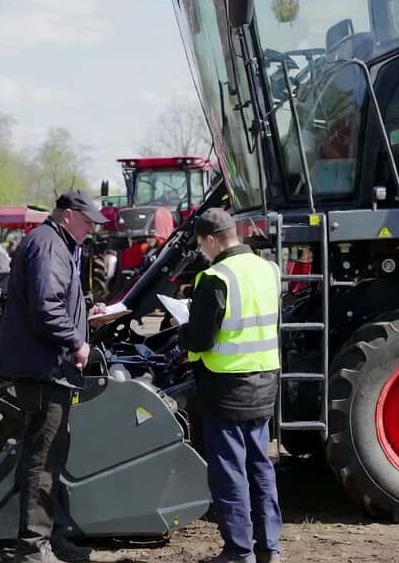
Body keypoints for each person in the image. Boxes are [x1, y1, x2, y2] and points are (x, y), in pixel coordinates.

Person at [0, 190, 108, 563]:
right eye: (89, 221)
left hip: (46, 368)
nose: (92, 229)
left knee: (50, 456)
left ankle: (54, 538)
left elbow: (52, 300)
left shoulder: (52, 243)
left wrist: (87, 312)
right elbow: (46, 306)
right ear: (69, 215)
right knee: (42, 460)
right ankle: (33, 547)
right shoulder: (48, 246)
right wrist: (77, 341)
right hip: (43, 370)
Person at [178, 208, 282, 563]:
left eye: (201, 245)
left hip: (225, 389)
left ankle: (239, 551)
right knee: (261, 467)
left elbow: (201, 340)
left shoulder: (214, 278)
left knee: (230, 473)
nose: (201, 252)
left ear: (211, 239)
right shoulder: (269, 270)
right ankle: (269, 548)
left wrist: (182, 331)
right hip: (265, 382)